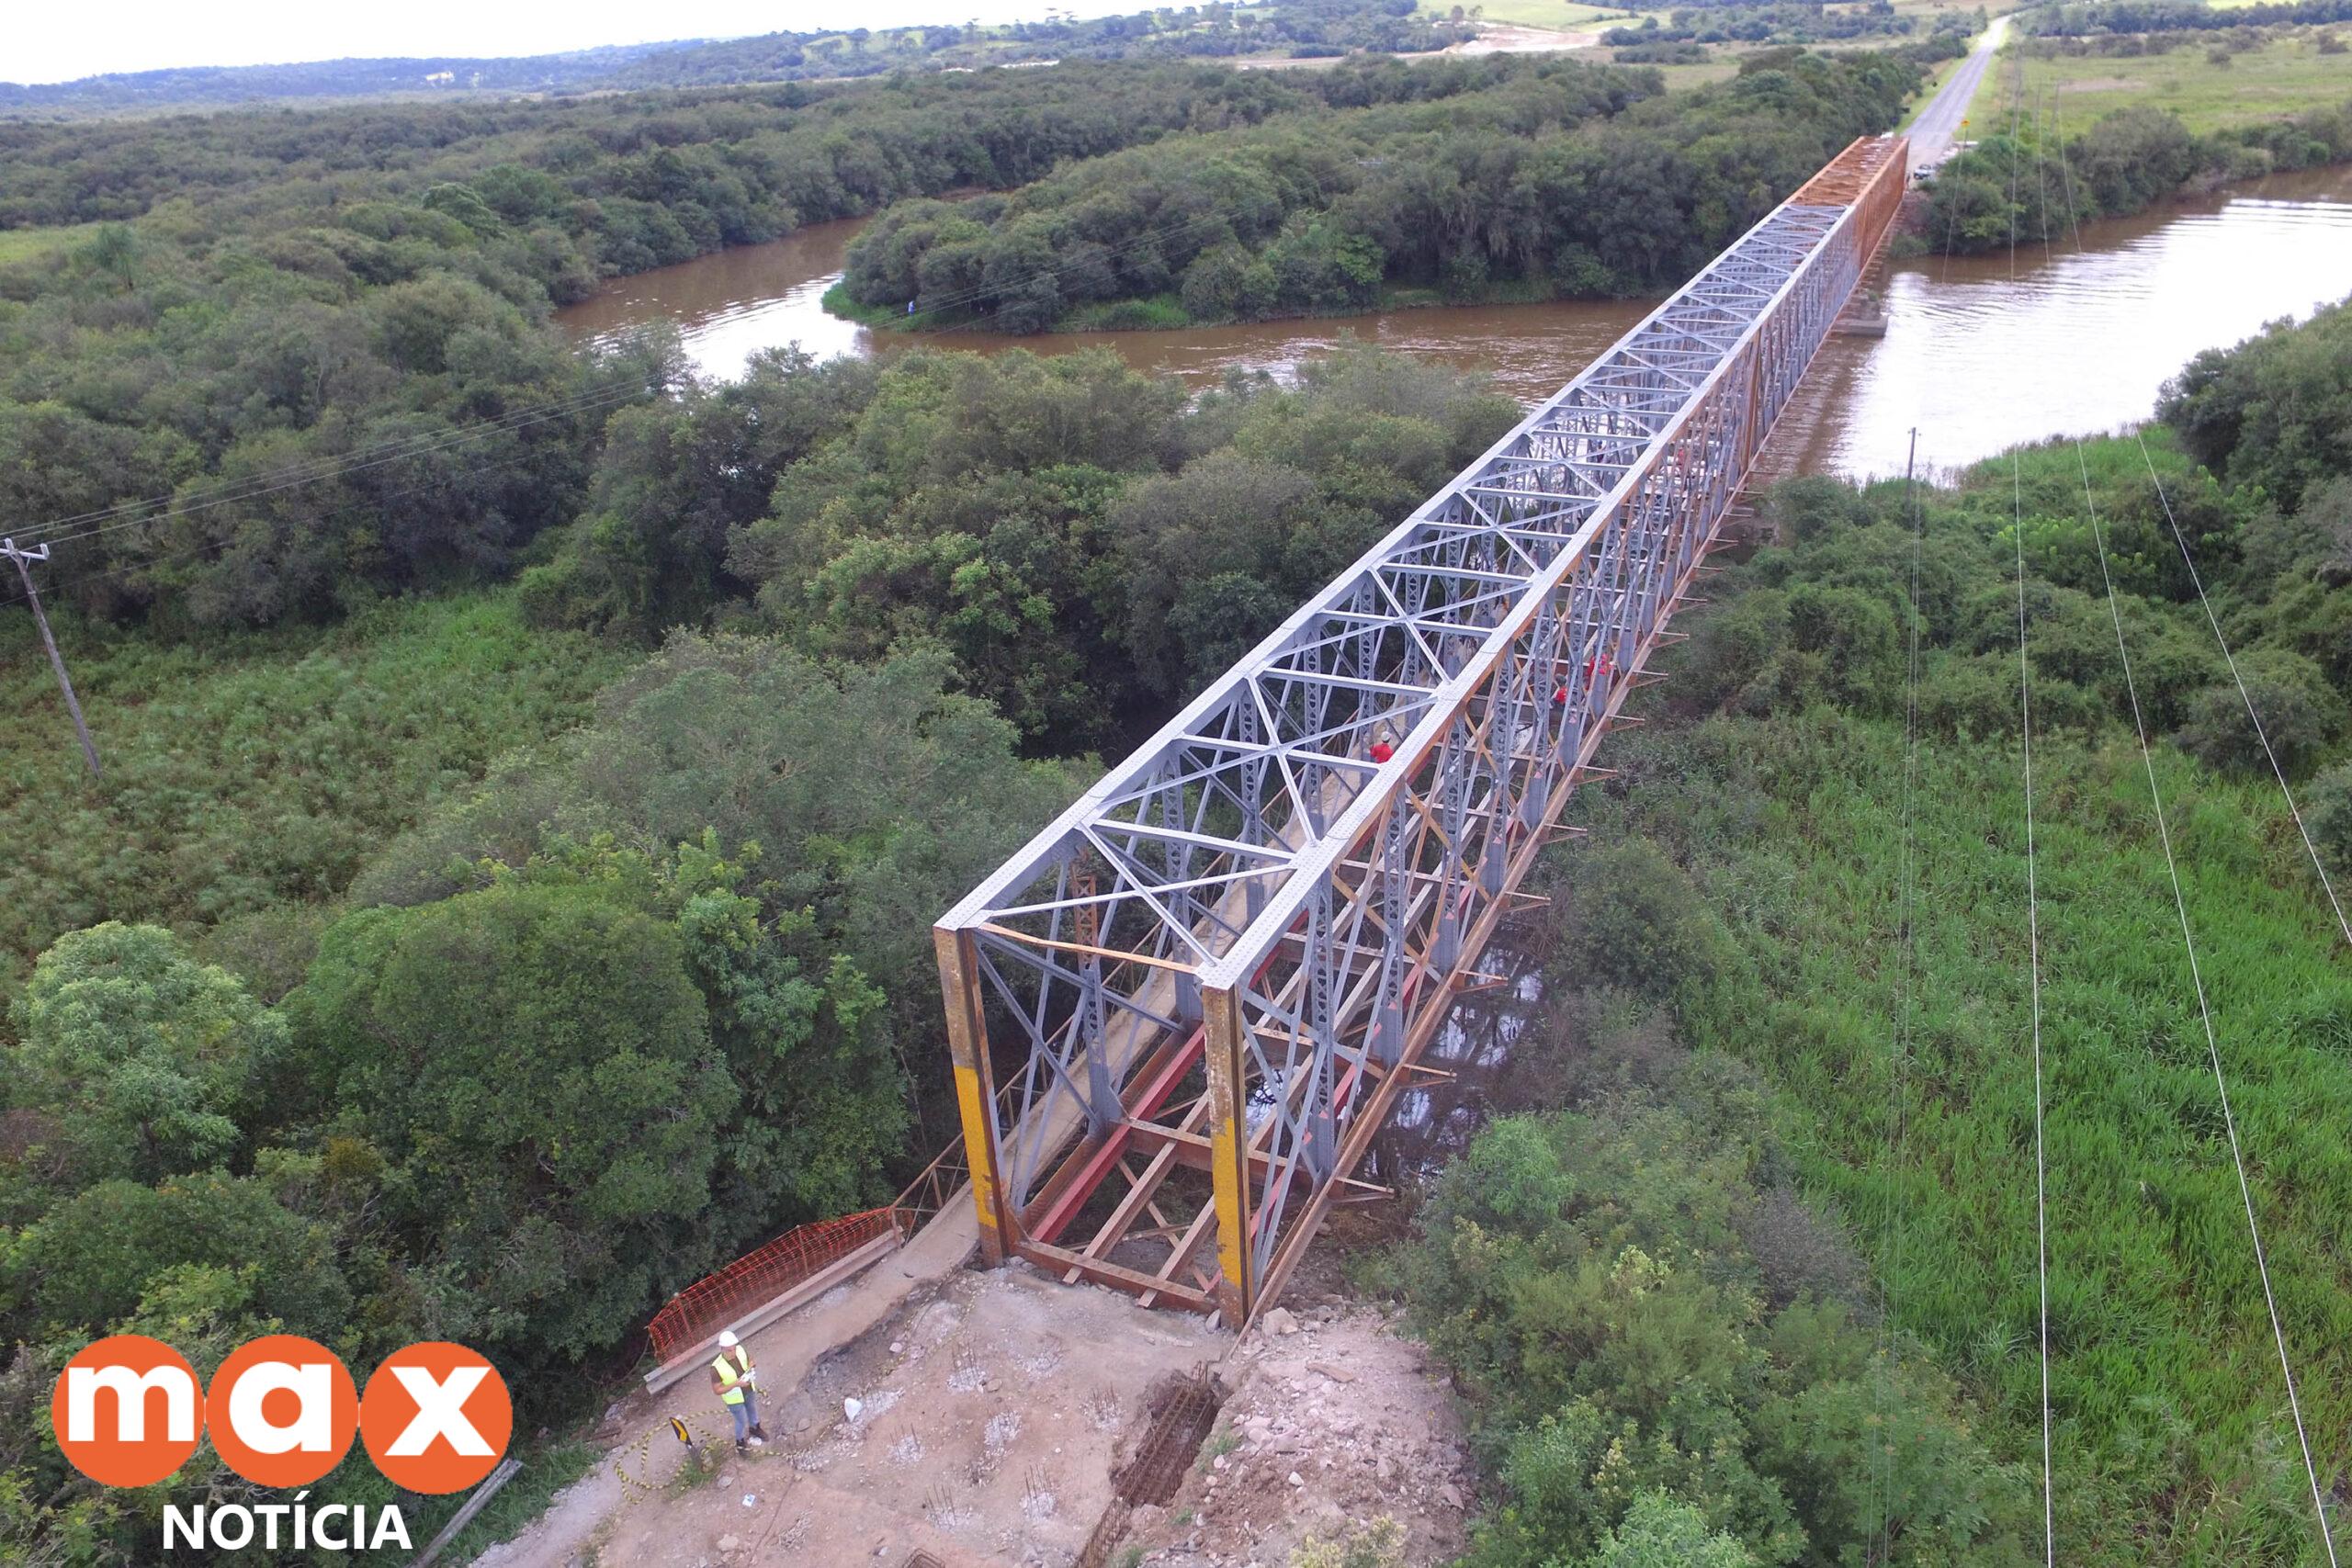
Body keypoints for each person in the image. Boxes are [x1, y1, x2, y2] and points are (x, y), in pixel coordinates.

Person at [710, 1330, 767, 1450]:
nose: (733, 1353)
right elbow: (717, 1390)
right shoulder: (716, 1367)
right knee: (741, 1421)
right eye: (729, 1350)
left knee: (752, 1409)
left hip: (748, 1389)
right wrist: (735, 1384)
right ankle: (740, 1442)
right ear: (722, 1349)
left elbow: (750, 1359)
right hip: (734, 1400)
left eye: (734, 1349)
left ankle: (755, 1428)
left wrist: (751, 1364)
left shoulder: (740, 1350)